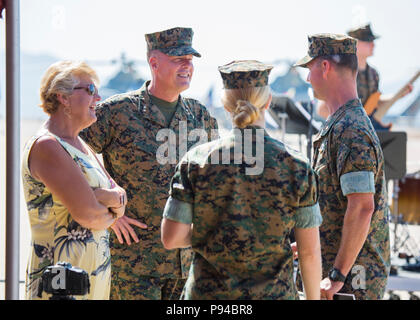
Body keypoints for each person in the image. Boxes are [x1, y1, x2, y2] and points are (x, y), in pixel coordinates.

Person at [161, 60, 322, 300]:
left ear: (226, 106)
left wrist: (215, 232)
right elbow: (309, 253)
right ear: (268, 102)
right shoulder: (296, 166)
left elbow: (171, 238)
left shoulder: (195, 161)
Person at [80, 27, 218, 300]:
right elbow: (74, 158)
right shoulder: (117, 112)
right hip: (134, 263)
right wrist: (105, 214)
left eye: (190, 59)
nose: (187, 66)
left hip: (186, 264)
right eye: (179, 59)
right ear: (154, 62)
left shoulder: (199, 115)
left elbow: (216, 177)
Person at [294, 34, 390, 300]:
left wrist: (337, 275)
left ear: (324, 67)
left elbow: (361, 207)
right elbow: (334, 203)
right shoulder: (341, 124)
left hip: (350, 283)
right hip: (340, 276)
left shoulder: (351, 130)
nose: (307, 78)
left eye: (309, 68)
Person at [22, 60, 127, 300]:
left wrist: (103, 198)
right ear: (63, 97)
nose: (98, 98)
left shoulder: (83, 147)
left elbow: (119, 195)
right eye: (90, 90)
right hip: (60, 284)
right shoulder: (47, 145)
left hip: (91, 280)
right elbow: (89, 214)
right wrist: (106, 203)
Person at [317, 24, 413, 129]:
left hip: (365, 134)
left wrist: (397, 96)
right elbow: (322, 109)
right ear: (355, 43)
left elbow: (374, 103)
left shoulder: (373, 74)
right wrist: (351, 124)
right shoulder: (340, 72)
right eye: (368, 41)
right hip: (343, 135)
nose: (373, 45)